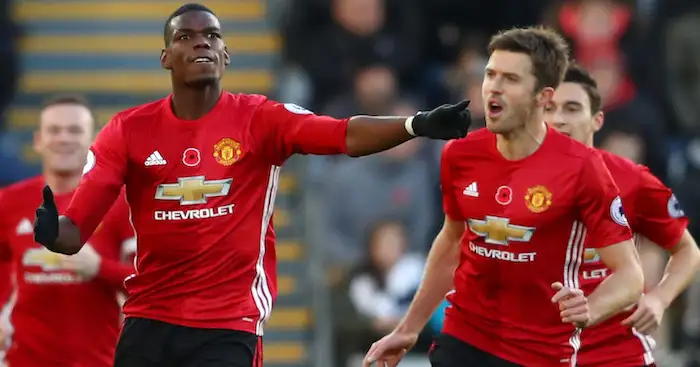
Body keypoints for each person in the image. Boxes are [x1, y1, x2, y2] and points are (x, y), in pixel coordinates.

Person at [31, 4, 472, 367]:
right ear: (166, 57)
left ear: (226, 55)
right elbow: (75, 233)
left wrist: (414, 125)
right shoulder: (128, 130)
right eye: (185, 36)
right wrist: (55, 234)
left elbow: (341, 133)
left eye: (213, 35)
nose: (201, 41)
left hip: (227, 324)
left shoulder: (259, 119)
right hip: (148, 320)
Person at [363, 26, 645, 367]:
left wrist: (592, 308)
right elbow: (452, 241)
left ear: (543, 96)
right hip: (464, 335)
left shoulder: (582, 168)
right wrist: (408, 328)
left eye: (510, 78)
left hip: (540, 351)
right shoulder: (459, 154)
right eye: (490, 74)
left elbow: (630, 274)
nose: (494, 87)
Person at [545, 63, 700, 367]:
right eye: (549, 108)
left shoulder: (632, 180)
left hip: (616, 353)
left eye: (572, 108)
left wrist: (659, 298)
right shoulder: (509, 177)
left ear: (596, 120)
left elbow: (688, 251)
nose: (558, 119)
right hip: (534, 350)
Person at [0, 95, 135, 367]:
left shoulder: (123, 203)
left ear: (94, 142)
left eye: (74, 130)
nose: (64, 138)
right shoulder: (8, 202)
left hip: (100, 361)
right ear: (38, 140)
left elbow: (154, 283)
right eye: (54, 130)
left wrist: (99, 267)